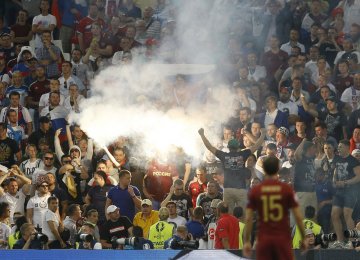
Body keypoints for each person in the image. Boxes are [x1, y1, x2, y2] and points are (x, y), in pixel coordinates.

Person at [243, 156, 308, 259]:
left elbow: (248, 218)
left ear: (263, 169)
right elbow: (298, 216)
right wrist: (304, 237)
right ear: (278, 169)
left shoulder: (256, 190)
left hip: (264, 239)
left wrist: (247, 241)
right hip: (282, 238)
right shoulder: (286, 189)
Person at [198, 127, 265, 213]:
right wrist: (262, 134)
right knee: (242, 215)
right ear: (238, 148)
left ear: (229, 147)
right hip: (241, 190)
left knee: (228, 214)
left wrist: (202, 135)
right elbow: (256, 146)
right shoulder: (243, 154)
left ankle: (230, 226)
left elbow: (210, 147)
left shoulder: (224, 156)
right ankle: (240, 227)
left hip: (228, 190)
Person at [330, 139, 360, 249]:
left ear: (347, 147)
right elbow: (335, 171)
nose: (338, 148)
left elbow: (358, 177)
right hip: (339, 191)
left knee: (347, 214)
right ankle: (340, 240)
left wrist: (345, 182)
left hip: (351, 191)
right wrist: (334, 180)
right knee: (334, 214)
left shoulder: (353, 161)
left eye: (341, 146)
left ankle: (352, 242)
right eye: (338, 146)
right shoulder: (337, 158)